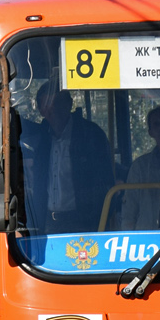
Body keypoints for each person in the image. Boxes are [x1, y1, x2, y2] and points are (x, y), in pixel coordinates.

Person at [22, 82, 114, 234]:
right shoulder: (41, 138)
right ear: (41, 110)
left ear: (69, 104)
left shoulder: (90, 135)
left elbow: (105, 182)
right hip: (48, 223)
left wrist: (95, 220)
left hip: (85, 224)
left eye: (57, 103)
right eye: (47, 105)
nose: (53, 109)